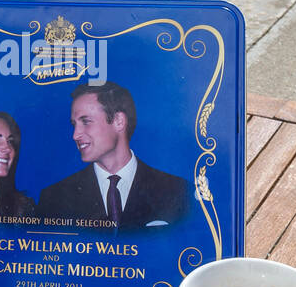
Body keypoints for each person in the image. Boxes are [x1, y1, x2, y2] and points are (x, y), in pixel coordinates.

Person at [36, 81, 189, 231]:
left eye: (86, 121)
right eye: (74, 124)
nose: (75, 135)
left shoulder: (177, 191)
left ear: (119, 122)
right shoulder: (54, 199)